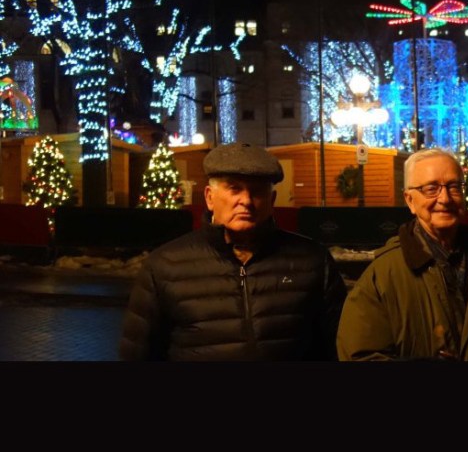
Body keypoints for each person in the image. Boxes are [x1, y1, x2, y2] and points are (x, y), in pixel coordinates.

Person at [119, 142, 348, 360]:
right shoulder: (165, 265)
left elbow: (338, 347)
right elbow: (138, 354)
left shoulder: (313, 261)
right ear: (209, 197)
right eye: (234, 188)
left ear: (272, 200)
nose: (246, 200)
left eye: (257, 191)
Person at [336, 147, 468, 360]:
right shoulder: (382, 278)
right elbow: (360, 356)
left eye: (454, 187)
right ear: (410, 201)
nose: (445, 198)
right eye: (431, 189)